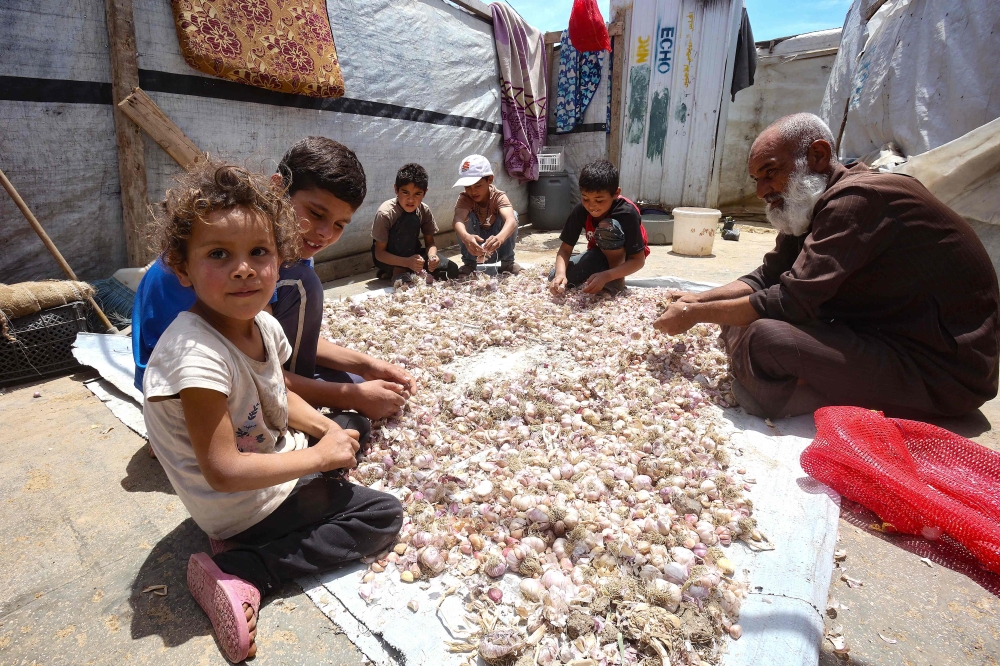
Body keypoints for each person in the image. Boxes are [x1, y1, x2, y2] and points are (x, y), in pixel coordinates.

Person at [142, 162, 403, 663]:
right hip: (241, 503)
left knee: (352, 423)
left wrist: (329, 430)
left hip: (269, 462)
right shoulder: (196, 356)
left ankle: (295, 503)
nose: (244, 269)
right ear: (181, 265)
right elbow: (223, 470)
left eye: (258, 252)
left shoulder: (260, 323)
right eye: (219, 254)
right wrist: (320, 459)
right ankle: (246, 568)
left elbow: (280, 395)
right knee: (381, 514)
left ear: (280, 256)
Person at [652, 113, 1000, 420]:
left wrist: (698, 315)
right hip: (877, 335)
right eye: (757, 179)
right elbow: (767, 277)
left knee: (765, 336)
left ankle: (788, 390)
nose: (761, 191)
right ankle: (780, 375)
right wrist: (700, 300)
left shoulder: (857, 200)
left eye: (770, 173)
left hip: (943, 371)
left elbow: (790, 302)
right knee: (743, 319)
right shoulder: (809, 204)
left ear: (817, 156)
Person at [132, 137, 415, 421]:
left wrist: (367, 365)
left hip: (217, 362)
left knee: (353, 377)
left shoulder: (279, 247)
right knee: (305, 287)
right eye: (316, 213)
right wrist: (347, 397)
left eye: (340, 225)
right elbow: (255, 363)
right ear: (278, 187)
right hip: (186, 391)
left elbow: (269, 339)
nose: (325, 233)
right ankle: (294, 411)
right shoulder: (254, 258)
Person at [549, 159, 649, 295]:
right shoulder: (580, 211)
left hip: (626, 258)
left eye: (599, 200)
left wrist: (608, 276)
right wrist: (560, 275)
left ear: (615, 193)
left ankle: (616, 282)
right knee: (554, 276)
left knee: (607, 227)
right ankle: (600, 271)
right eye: (585, 198)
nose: (591, 205)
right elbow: (565, 250)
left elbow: (638, 260)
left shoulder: (626, 213)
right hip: (598, 253)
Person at [371, 163, 459, 281]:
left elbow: (430, 243)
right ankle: (398, 271)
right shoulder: (386, 213)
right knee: (410, 219)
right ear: (396, 189)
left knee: (451, 270)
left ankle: (401, 271)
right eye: (405, 192)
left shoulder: (424, 210)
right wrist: (406, 262)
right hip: (388, 258)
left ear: (425, 193)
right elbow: (379, 254)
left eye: (417, 194)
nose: (411, 199)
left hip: (413, 254)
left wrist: (432, 257)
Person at [452, 154, 521, 276]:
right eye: (468, 187)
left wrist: (499, 239)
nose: (473, 191)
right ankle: (469, 264)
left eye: (478, 186)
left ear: (489, 180)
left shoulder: (498, 196)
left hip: (496, 245)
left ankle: (507, 263)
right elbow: (458, 219)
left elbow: (511, 220)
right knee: (463, 220)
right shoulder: (465, 198)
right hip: (474, 248)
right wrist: (466, 237)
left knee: (513, 215)